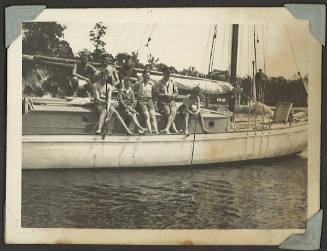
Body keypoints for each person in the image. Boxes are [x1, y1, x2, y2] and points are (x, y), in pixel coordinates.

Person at [94, 56, 133, 135]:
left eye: (105, 77)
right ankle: (99, 129)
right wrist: (105, 105)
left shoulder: (109, 86)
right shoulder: (96, 85)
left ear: (106, 78)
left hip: (106, 103)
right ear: (100, 76)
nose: (103, 78)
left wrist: (108, 107)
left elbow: (109, 98)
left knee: (115, 113)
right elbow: (97, 98)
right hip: (99, 103)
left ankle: (127, 130)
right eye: (102, 76)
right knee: (104, 111)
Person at [156, 66, 180, 134]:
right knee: (168, 113)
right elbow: (157, 94)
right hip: (162, 102)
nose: (169, 74)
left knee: (174, 112)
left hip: (171, 101)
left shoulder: (173, 82)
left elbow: (176, 92)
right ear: (163, 73)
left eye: (169, 73)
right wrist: (165, 95)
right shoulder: (159, 83)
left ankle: (166, 129)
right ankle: (174, 130)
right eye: (167, 73)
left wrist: (174, 95)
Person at [134, 69, 158, 134]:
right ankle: (150, 131)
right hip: (141, 100)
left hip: (149, 101)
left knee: (153, 115)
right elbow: (133, 91)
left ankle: (156, 131)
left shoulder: (152, 84)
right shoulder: (138, 83)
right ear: (143, 76)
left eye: (148, 77)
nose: (147, 78)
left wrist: (154, 103)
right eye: (146, 76)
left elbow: (154, 94)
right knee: (147, 115)